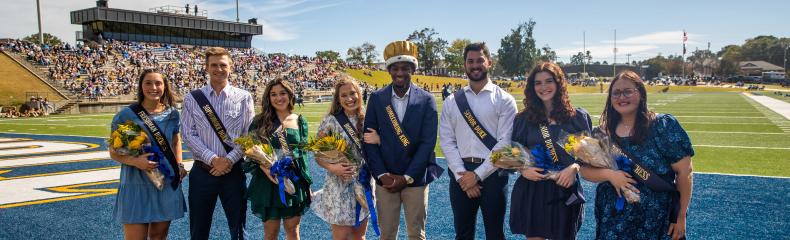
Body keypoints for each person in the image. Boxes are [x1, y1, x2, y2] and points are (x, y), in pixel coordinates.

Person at [580, 71, 693, 240]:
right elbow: (585, 171)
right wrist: (610, 175)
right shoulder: (603, 132)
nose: (621, 97)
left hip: (657, 218)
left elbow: (685, 172)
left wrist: (680, 216)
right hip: (614, 218)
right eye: (616, 93)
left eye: (628, 91)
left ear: (640, 93)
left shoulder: (663, 126)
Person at [363, 40, 443, 240]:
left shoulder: (426, 99)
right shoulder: (377, 98)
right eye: (395, 68)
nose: (400, 72)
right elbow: (368, 141)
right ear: (389, 70)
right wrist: (381, 175)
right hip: (386, 179)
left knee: (416, 234)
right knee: (387, 235)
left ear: (413, 70)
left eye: (405, 68)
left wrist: (406, 177)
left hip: (415, 179)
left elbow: (427, 144)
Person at [439, 42, 517, 239]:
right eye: (470, 61)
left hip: (494, 174)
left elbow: (505, 143)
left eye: (480, 60)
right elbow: (447, 141)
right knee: (463, 234)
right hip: (461, 174)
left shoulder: (505, 100)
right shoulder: (451, 101)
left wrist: (477, 176)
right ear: (464, 65)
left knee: (495, 234)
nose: (475, 65)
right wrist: (462, 176)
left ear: (489, 62)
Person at [510, 62, 591, 240]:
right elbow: (512, 153)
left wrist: (574, 167)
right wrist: (523, 170)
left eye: (548, 81)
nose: (543, 87)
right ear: (532, 87)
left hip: (565, 188)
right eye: (537, 83)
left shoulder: (576, 118)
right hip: (534, 188)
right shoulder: (524, 119)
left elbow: (586, 156)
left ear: (559, 83)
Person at [181, 47, 254, 240]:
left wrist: (228, 160)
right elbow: (188, 134)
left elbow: (248, 136)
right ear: (206, 67)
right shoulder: (192, 98)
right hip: (202, 172)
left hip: (234, 171)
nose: (218, 69)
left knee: (239, 230)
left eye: (223, 65)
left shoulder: (244, 97)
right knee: (198, 229)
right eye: (214, 65)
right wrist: (214, 159)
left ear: (231, 67)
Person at [109, 68, 187, 240]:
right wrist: (136, 161)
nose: (154, 87)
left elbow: (175, 142)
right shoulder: (126, 115)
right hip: (135, 183)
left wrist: (179, 165)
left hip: (165, 180)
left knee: (159, 236)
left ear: (165, 87)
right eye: (148, 83)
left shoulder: (173, 114)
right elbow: (113, 152)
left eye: (158, 83)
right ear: (141, 86)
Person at [312, 76, 381, 240]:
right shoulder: (330, 121)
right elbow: (317, 154)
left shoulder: (369, 119)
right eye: (344, 95)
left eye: (353, 93)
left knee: (359, 235)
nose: (349, 99)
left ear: (359, 93)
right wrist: (333, 168)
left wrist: (380, 139)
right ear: (338, 98)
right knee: (341, 236)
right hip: (338, 185)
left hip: (363, 182)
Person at [245, 79, 312, 240]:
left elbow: (302, 155)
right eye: (273, 94)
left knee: (293, 231)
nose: (278, 98)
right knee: (270, 233)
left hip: (294, 181)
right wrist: (269, 170)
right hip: (268, 183)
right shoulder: (259, 121)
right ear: (268, 98)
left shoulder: (299, 121)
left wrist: (306, 183)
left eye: (282, 93)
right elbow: (252, 151)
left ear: (290, 95)